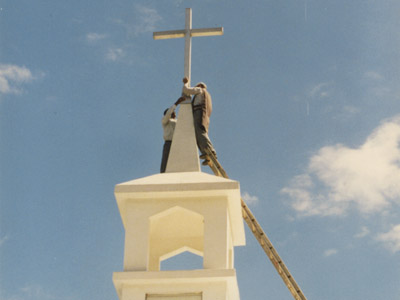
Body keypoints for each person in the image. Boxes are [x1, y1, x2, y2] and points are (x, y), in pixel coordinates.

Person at [182, 77, 216, 165]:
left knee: (200, 133)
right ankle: (206, 153)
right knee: (198, 134)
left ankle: (210, 150)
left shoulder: (200, 90)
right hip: (203, 114)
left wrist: (186, 83)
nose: (195, 87)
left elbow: (186, 90)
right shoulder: (207, 95)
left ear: (200, 85)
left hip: (199, 112)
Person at [160, 96, 185, 173]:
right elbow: (168, 114)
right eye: (172, 113)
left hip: (178, 144)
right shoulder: (165, 121)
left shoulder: (178, 122)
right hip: (169, 143)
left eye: (174, 113)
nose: (174, 113)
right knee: (165, 162)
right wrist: (176, 103)